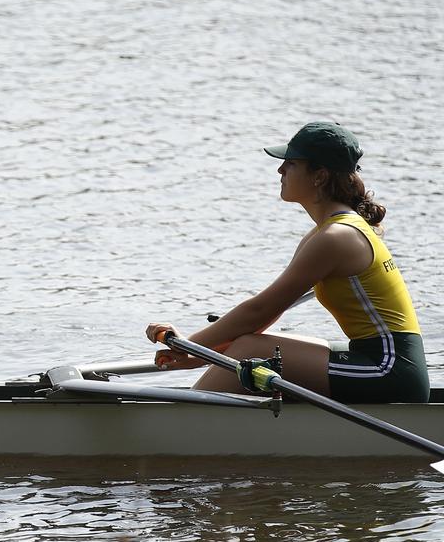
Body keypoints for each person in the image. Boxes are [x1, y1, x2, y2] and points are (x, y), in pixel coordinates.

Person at [145, 122, 429, 403]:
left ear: (319, 175)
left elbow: (259, 310)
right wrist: (199, 353)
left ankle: (183, 425)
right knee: (254, 345)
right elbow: (266, 313)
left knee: (250, 350)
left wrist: (191, 346)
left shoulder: (336, 237)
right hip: (380, 359)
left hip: (390, 370)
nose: (280, 170)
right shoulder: (327, 231)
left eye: (291, 163)